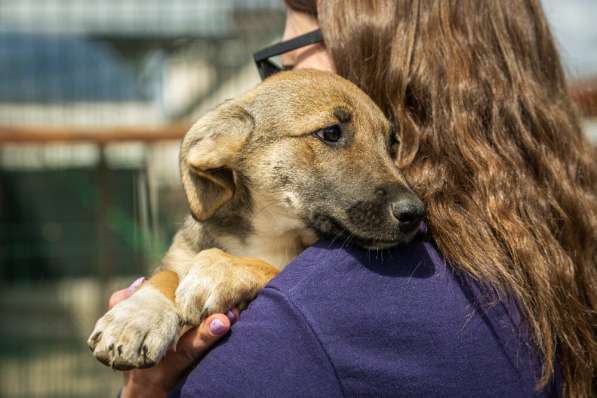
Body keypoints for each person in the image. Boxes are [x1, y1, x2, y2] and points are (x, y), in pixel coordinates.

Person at [113, 1, 597, 397]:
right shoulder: (547, 247)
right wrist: (159, 295)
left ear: (377, 46)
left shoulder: (314, 313)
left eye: (293, 50)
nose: (280, 71)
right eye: (332, 133)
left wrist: (145, 393)